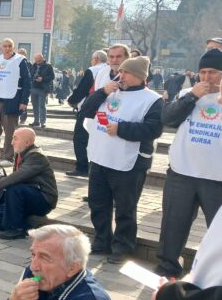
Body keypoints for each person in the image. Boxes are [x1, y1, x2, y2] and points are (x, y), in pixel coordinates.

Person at [80, 55, 164, 264]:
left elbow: (153, 129)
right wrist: (101, 92)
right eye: (121, 71)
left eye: (126, 72)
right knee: (98, 204)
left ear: (138, 76)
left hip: (129, 161)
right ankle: (101, 241)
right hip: (100, 156)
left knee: (125, 208)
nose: (120, 75)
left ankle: (123, 246)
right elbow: (86, 111)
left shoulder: (153, 99)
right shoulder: (109, 92)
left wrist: (121, 129)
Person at [155, 49, 222, 277]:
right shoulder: (187, 92)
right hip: (182, 171)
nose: (206, 77)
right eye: (202, 72)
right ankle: (167, 267)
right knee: (173, 223)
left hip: (216, 177)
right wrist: (192, 96)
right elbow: (168, 118)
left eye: (212, 72)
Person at [0, 225, 116, 300]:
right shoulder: (32, 274)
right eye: (33, 254)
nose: (33, 266)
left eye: (44, 257)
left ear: (72, 268)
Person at [0, 128, 58, 239]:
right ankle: (28, 227)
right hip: (26, 196)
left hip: (43, 199)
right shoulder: (21, 153)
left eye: (15, 139)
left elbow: (18, 176)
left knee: (14, 188)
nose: (12, 142)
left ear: (27, 143)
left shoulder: (36, 156)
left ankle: (15, 229)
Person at [0, 38, 32, 168]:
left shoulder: (20, 61)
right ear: (1, 48)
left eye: (10, 46)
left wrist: (24, 101)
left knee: (10, 131)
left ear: (13, 47)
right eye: (5, 46)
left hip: (12, 101)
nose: (7, 48)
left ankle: (8, 157)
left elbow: (27, 82)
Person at [66, 50, 109, 177]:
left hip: (89, 109)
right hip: (104, 110)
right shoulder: (108, 70)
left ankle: (82, 167)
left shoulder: (93, 70)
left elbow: (82, 89)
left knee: (80, 138)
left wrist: (72, 100)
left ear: (95, 59)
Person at [28, 53, 54, 128]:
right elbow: (30, 74)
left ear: (43, 59)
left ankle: (43, 122)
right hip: (34, 87)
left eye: (39, 61)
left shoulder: (48, 66)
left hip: (43, 88)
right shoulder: (34, 65)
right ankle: (36, 121)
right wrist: (33, 78)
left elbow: (52, 77)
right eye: (36, 61)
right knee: (34, 105)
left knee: (42, 105)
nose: (38, 62)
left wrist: (43, 78)